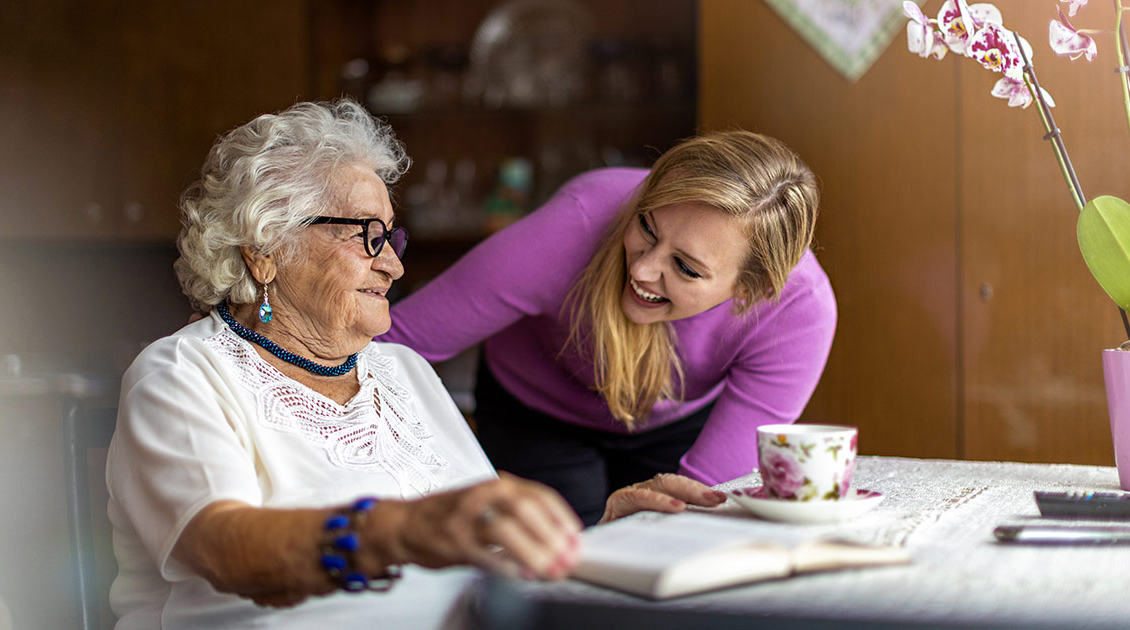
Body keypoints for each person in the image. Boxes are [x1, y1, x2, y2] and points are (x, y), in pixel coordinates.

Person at [106, 100, 726, 630]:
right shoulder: (183, 376)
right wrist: (399, 531)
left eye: (391, 239)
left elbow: (478, 543)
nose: (394, 267)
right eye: (365, 237)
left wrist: (604, 530)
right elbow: (226, 551)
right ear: (266, 250)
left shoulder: (400, 370)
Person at [381, 130, 836, 525]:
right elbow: (390, 342)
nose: (643, 270)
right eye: (647, 226)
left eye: (685, 267)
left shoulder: (799, 312)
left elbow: (701, 504)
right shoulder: (576, 223)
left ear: (750, 290)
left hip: (676, 421)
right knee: (553, 570)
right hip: (537, 410)